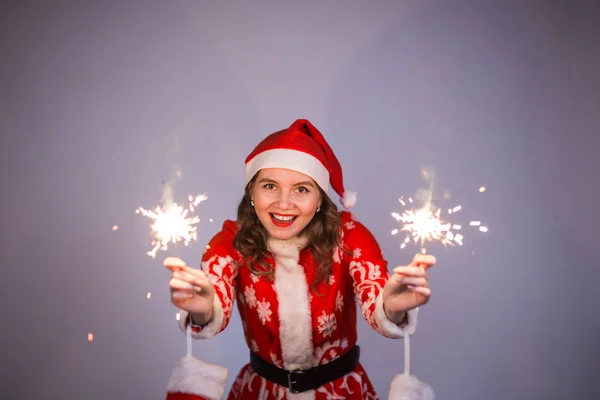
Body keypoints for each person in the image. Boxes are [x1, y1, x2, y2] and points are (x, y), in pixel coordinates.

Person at [165, 119, 436, 400]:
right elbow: (213, 301)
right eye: (269, 186)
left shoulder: (350, 237)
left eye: (302, 189)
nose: (284, 203)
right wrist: (201, 309)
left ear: (320, 198)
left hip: (341, 392)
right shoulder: (231, 241)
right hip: (261, 393)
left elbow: (376, 300)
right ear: (252, 194)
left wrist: (391, 307)